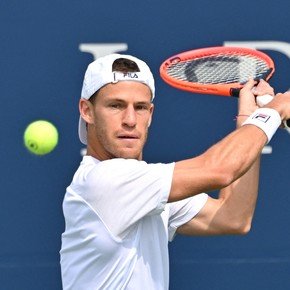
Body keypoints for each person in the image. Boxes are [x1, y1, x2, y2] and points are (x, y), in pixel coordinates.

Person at [60, 53, 290, 290]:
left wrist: (249, 119)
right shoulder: (104, 180)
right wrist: (273, 111)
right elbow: (220, 169)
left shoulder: (143, 188)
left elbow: (233, 216)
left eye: (140, 108)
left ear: (150, 114)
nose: (130, 119)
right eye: (115, 106)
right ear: (87, 111)